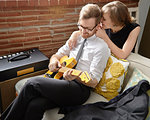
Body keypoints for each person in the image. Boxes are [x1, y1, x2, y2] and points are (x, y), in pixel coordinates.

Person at [1, 4, 110, 120]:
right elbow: (56, 55)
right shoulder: (76, 37)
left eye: (88, 29)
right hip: (61, 80)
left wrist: (75, 76)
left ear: (98, 26)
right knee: (35, 105)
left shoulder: (101, 47)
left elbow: (94, 81)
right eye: (81, 26)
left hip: (80, 89)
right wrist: (53, 62)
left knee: (31, 84)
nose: (83, 31)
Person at [69, 1, 140, 59]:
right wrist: (75, 34)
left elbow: (123, 55)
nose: (101, 20)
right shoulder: (104, 25)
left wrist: (104, 37)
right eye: (101, 17)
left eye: (104, 19)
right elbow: (88, 30)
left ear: (115, 21)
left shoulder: (134, 28)